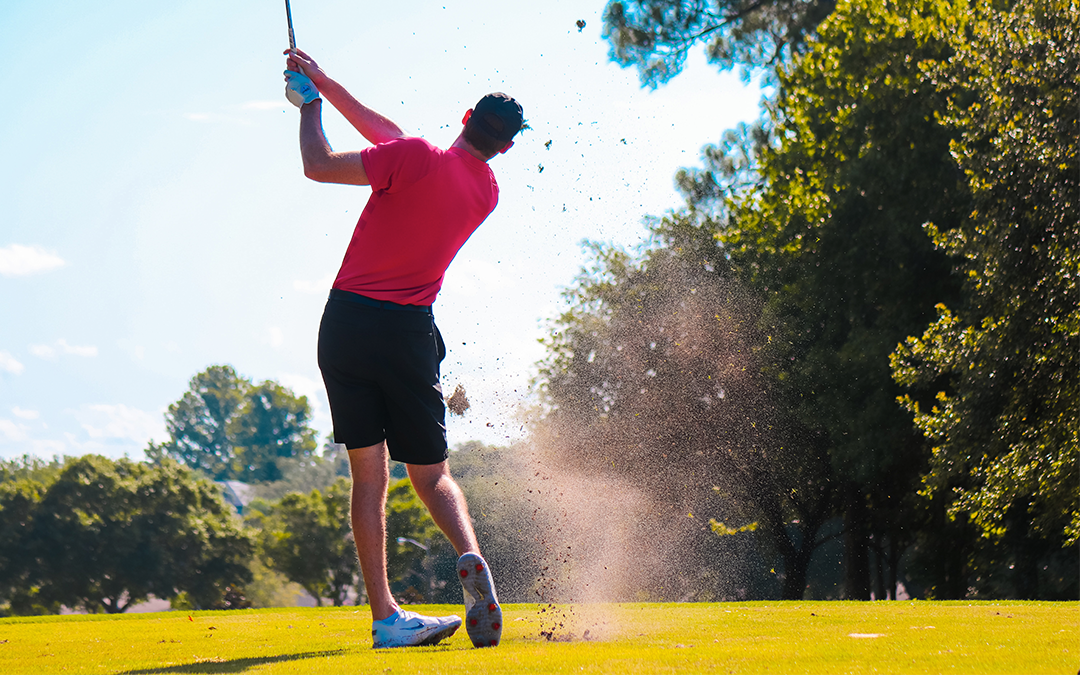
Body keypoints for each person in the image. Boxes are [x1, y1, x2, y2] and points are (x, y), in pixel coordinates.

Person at [282, 49, 522, 649]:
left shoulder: (413, 157)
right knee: (431, 473)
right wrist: (326, 81)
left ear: (464, 115)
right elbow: (394, 138)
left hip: (346, 325)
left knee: (369, 476)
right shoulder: (485, 191)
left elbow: (318, 165)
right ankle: (470, 557)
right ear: (506, 149)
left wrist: (308, 105)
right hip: (408, 333)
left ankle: (386, 616)